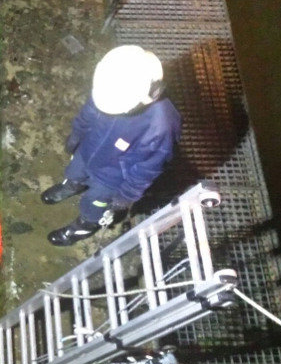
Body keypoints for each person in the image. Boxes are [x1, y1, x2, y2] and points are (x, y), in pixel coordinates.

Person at [42, 45, 181, 246]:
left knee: (94, 204)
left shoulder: (161, 126)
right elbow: (89, 112)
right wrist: (76, 134)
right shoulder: (111, 80)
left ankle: (84, 225)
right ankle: (72, 185)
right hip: (88, 149)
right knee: (74, 171)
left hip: (112, 177)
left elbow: (146, 169)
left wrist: (125, 197)